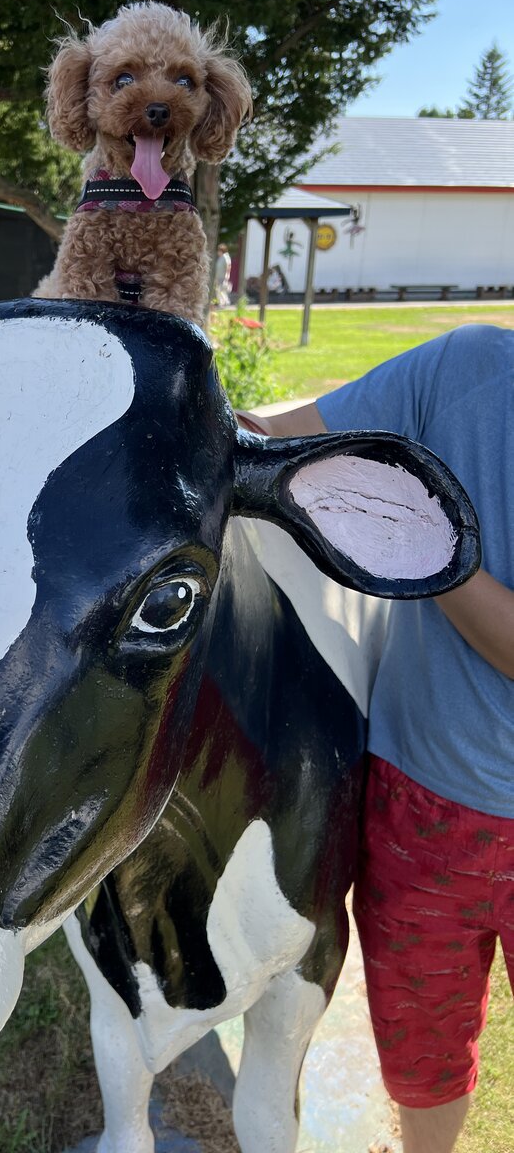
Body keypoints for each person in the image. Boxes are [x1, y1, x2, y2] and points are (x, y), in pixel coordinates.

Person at [240, 325, 514, 1153]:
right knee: (420, 1051)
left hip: (429, 797)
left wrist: (439, 557)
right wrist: (165, 403)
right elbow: (289, 434)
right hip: (419, 805)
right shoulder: (466, 368)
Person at [214, 243, 232, 308]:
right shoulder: (220, 258)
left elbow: (228, 267)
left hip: (223, 277)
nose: (218, 252)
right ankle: (222, 303)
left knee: (221, 290)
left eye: (219, 251)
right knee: (218, 290)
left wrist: (227, 276)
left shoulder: (225, 257)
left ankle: (225, 303)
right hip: (219, 277)